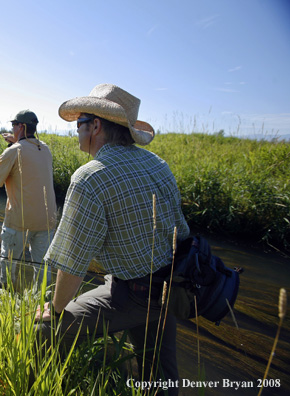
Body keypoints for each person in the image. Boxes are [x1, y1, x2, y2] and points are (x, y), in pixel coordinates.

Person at [34, 84, 190, 395]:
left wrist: (54, 307)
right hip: (171, 290)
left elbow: (73, 263)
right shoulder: (158, 163)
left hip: (130, 294)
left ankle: (44, 386)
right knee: (162, 377)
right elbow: (182, 233)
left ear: (96, 126)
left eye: (80, 124)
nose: (76, 131)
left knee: (42, 329)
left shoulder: (90, 177)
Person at [0, 110, 57, 289]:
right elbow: (27, 151)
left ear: (21, 127)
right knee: (43, 267)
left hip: (19, 221)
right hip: (47, 220)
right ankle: (42, 304)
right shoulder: (45, 149)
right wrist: (17, 140)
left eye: (14, 125)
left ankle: (6, 296)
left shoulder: (13, 151)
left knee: (8, 264)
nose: (11, 129)